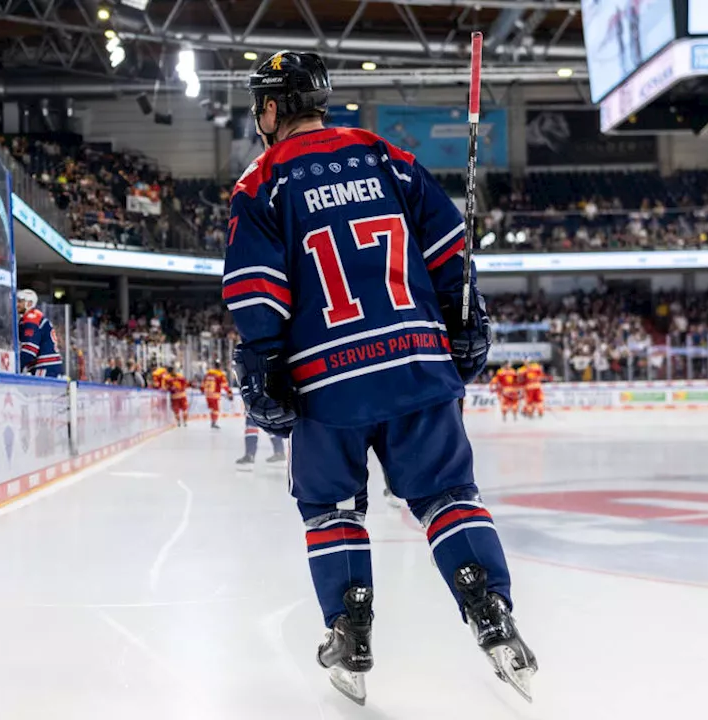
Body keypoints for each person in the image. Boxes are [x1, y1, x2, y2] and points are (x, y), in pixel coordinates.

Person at [224, 51, 536, 704]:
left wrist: (263, 365)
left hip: (327, 381)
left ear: (275, 109)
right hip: (416, 362)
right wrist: (465, 315)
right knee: (448, 496)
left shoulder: (261, 183)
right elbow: (453, 250)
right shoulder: (383, 155)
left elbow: (257, 293)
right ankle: (492, 614)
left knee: (332, 507)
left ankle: (352, 631)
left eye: (262, 103)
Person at [17, 289, 62, 377]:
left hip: (44, 367)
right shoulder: (36, 316)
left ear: (29, 304)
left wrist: (15, 367)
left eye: (20, 302)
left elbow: (29, 351)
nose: (17, 304)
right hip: (51, 366)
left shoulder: (31, 319)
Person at [202, 360, 233, 428]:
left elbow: (203, 383)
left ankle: (212, 421)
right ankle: (214, 422)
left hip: (207, 395)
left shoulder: (208, 373)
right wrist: (229, 393)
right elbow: (225, 385)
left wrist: (202, 390)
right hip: (215, 395)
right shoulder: (220, 374)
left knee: (212, 409)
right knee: (216, 410)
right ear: (220, 367)